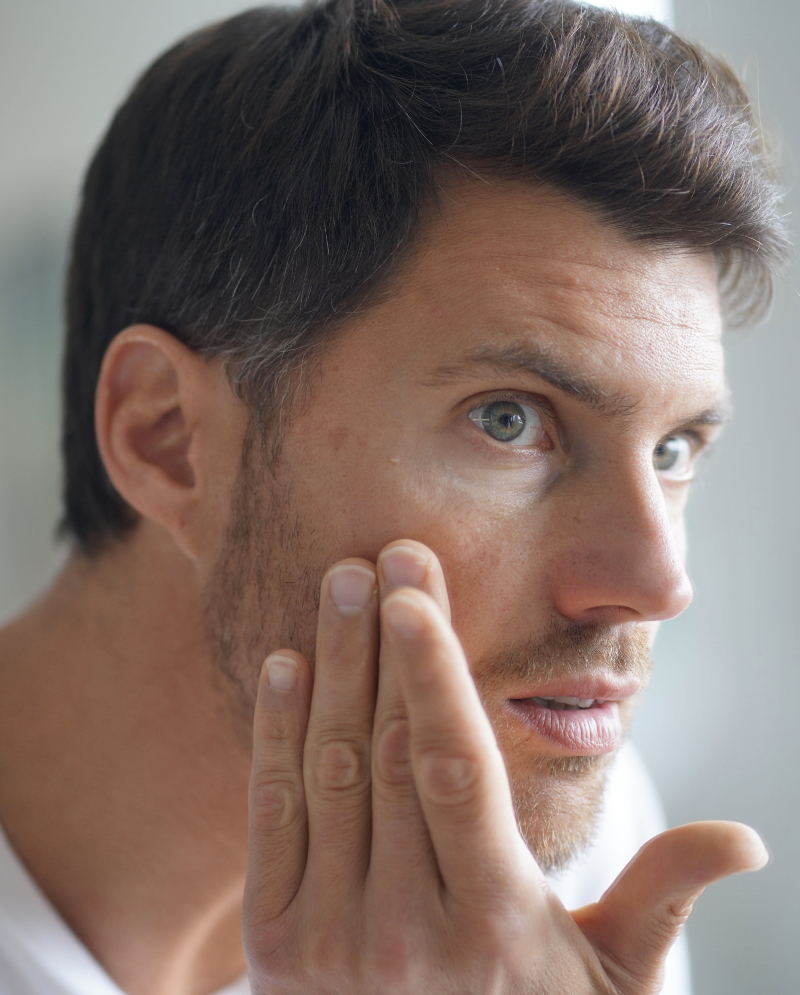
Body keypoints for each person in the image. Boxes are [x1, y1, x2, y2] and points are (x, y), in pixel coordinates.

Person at [0, 0, 788, 993]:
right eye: (508, 418)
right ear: (167, 437)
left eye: (673, 448)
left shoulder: (539, 832)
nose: (656, 583)